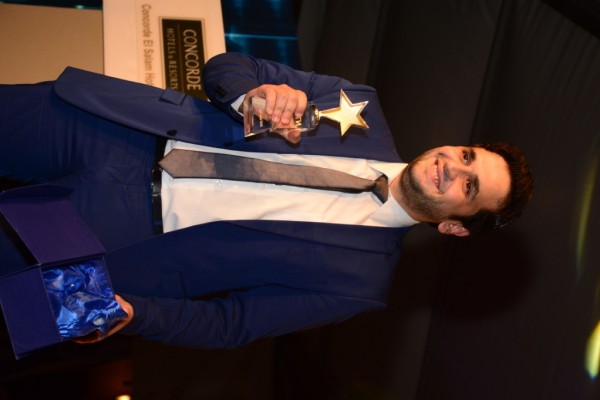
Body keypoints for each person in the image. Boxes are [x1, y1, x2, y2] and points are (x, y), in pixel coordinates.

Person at [0, 52, 533, 349]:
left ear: (457, 226)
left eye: (469, 187)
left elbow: (231, 325)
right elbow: (227, 66)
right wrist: (248, 95)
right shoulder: (361, 106)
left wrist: (137, 316)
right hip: (114, 127)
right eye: (468, 155)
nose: (452, 167)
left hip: (114, 235)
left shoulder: (359, 286)